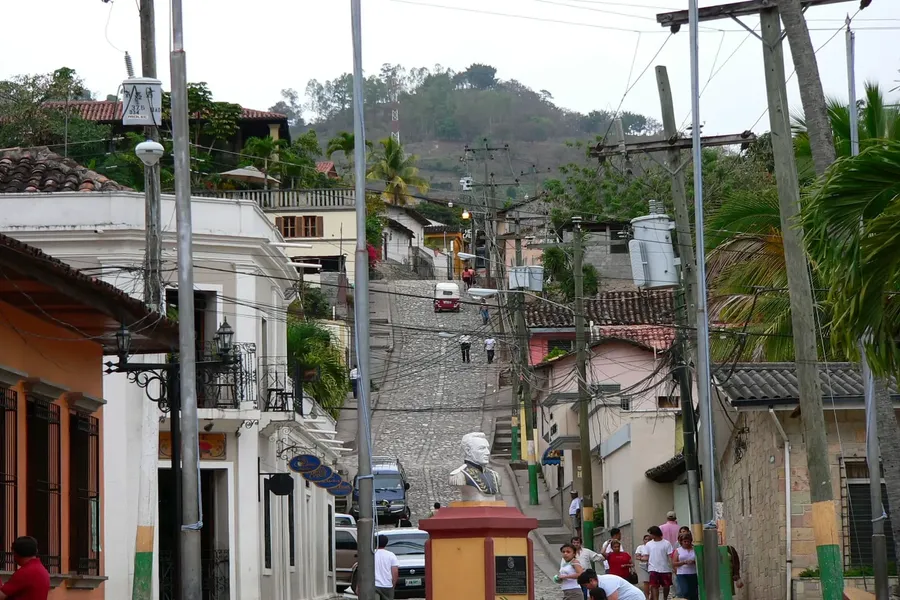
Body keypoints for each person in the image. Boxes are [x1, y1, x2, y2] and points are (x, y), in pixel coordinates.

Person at [644, 526, 674, 600]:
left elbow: (670, 555)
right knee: (654, 586)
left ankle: (665, 597)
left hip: (665, 568)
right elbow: (647, 556)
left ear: (655, 534)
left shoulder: (666, 543)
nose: (650, 535)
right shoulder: (649, 544)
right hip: (653, 568)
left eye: (651, 534)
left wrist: (673, 566)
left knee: (666, 586)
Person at [577, 570, 645, 600]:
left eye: (586, 585)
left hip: (634, 597)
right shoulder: (592, 588)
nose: (586, 588)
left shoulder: (607, 582)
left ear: (591, 580)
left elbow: (613, 599)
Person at [672, 533, 698, 600]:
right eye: (685, 541)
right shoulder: (678, 550)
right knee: (685, 591)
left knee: (693, 592)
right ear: (681, 542)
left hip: (693, 573)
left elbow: (699, 560)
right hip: (682, 573)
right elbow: (674, 563)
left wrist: (693, 562)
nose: (686, 543)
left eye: (688, 541)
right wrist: (683, 562)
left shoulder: (694, 549)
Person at [374, 534, 399, 600]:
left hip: (374, 586)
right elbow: (395, 571)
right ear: (386, 543)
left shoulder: (371, 554)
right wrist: (393, 584)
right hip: (387, 585)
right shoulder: (391, 555)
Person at [633, 534, 652, 598]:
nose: (647, 541)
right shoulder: (640, 547)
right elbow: (637, 556)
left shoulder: (653, 546)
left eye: (649, 539)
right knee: (646, 582)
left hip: (652, 565)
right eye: (646, 539)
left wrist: (647, 557)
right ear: (643, 540)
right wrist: (642, 558)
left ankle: (652, 596)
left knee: (652, 582)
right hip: (643, 565)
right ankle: (646, 597)